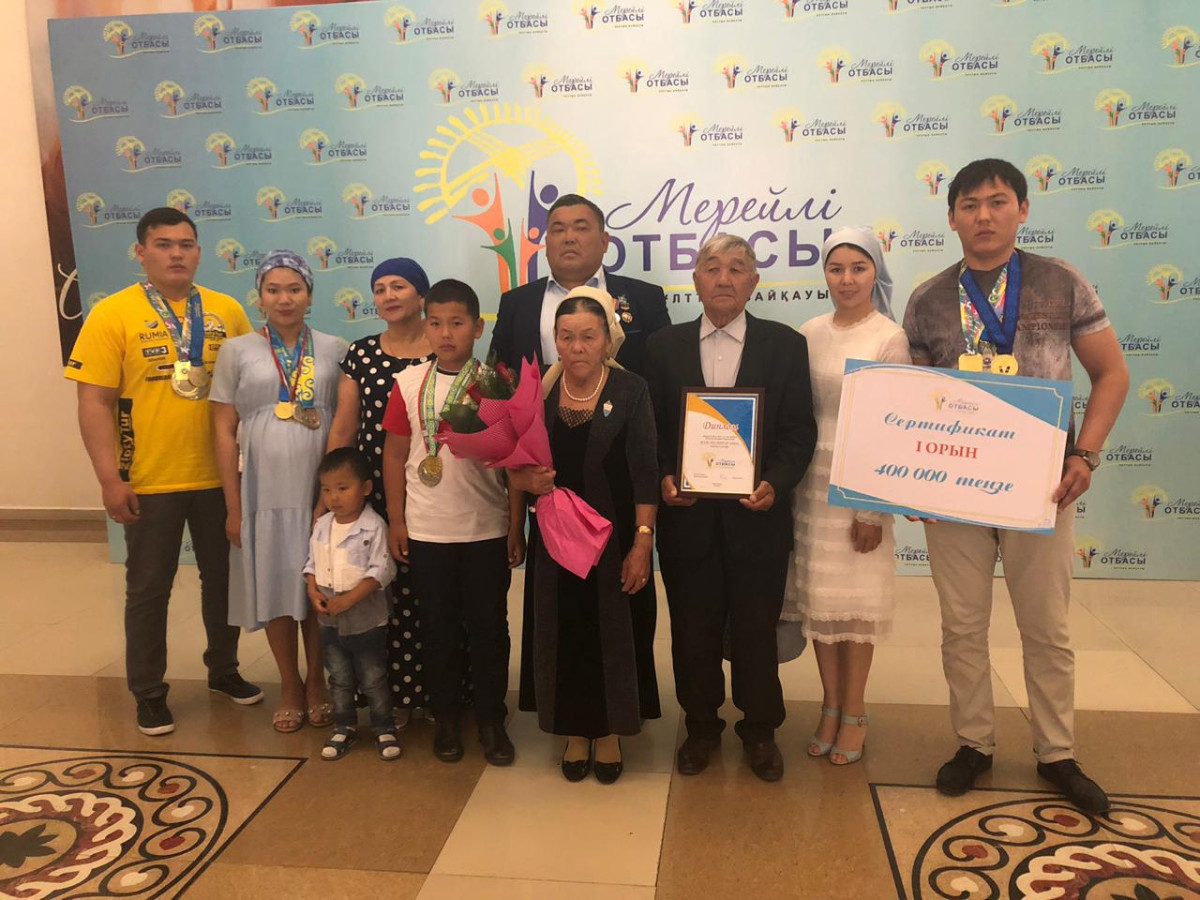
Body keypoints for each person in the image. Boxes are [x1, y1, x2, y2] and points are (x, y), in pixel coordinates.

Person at [903, 158, 1129, 814]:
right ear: (951, 217)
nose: (984, 215)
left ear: (1022, 210)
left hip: (1042, 486)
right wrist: (911, 481)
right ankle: (973, 743)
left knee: (1046, 626)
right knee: (961, 626)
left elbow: (1112, 373)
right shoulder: (928, 298)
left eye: (998, 201)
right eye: (969, 204)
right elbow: (913, 402)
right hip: (955, 490)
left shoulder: (1061, 282)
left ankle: (1057, 752)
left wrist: (1085, 454)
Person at [65, 207, 262, 736]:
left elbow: (251, 389)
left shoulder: (226, 311)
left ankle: (224, 669)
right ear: (141, 252)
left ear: (199, 251)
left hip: (220, 477)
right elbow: (94, 401)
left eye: (186, 244)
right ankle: (149, 691)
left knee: (224, 582)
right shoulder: (112, 314)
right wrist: (109, 478)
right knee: (149, 588)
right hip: (149, 479)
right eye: (163, 244)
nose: (176, 254)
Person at [645, 234, 817, 782]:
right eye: (713, 267)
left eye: (737, 268)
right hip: (686, 518)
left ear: (754, 282)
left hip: (757, 518)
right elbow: (650, 429)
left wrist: (775, 483)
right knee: (691, 628)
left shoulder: (785, 345)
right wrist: (664, 475)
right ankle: (700, 727)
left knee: (754, 630)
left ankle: (760, 729)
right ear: (695, 279)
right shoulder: (661, 346)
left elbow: (799, 431)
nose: (724, 278)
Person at [508, 287, 660, 785]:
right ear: (554, 339)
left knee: (613, 632)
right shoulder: (537, 392)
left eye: (588, 337)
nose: (577, 347)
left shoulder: (632, 390)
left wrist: (643, 543)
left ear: (607, 341)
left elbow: (645, 473)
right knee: (564, 629)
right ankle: (574, 730)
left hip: (614, 540)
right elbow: (515, 466)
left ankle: (611, 731)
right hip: (554, 541)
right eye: (566, 336)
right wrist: (523, 488)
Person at [381, 279, 524, 765]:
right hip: (427, 530)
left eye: (457, 323)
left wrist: (515, 526)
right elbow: (394, 454)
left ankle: (491, 719)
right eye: (437, 323)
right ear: (426, 327)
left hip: (486, 528)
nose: (446, 333)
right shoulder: (407, 383)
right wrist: (396, 520)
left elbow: (514, 463)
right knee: (437, 628)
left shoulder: (497, 383)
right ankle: (445, 718)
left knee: (489, 628)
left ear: (478, 328)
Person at [782, 227, 911, 766]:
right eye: (836, 269)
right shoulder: (808, 332)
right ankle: (830, 706)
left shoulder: (889, 337)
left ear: (875, 272)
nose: (847, 279)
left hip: (861, 483)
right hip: (811, 484)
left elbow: (892, 427)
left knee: (856, 609)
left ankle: (855, 711)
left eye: (859, 268)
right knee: (822, 603)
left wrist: (871, 508)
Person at [210, 250, 349, 733]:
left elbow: (345, 421)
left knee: (318, 584)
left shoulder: (334, 349)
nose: (284, 298)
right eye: (273, 290)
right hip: (262, 495)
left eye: (294, 289)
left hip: (319, 489)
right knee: (275, 583)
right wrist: (234, 506)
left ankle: (318, 682)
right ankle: (289, 684)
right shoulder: (237, 351)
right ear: (260, 297)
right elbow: (223, 430)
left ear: (309, 294)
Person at [326, 257, 468, 726]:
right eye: (380, 288)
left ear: (422, 295)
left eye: (399, 286)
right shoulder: (361, 353)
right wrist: (328, 493)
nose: (388, 295)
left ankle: (442, 693)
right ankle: (394, 697)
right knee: (382, 593)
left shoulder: (446, 351)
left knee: (434, 596)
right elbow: (344, 427)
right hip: (376, 489)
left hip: (438, 492)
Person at [489, 193, 671, 377]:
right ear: (546, 244)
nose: (569, 238)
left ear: (604, 242)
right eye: (558, 230)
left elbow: (666, 373)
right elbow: (497, 377)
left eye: (581, 228)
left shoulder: (645, 298)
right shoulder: (515, 303)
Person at [304, 448, 399, 761]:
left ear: (365, 488)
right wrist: (313, 590)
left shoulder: (374, 526)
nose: (334, 498)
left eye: (343, 488)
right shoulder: (322, 525)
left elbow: (382, 570)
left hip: (365, 617)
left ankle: (383, 726)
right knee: (339, 677)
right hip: (330, 618)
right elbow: (312, 563)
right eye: (327, 490)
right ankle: (344, 725)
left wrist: (348, 600)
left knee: (373, 676)